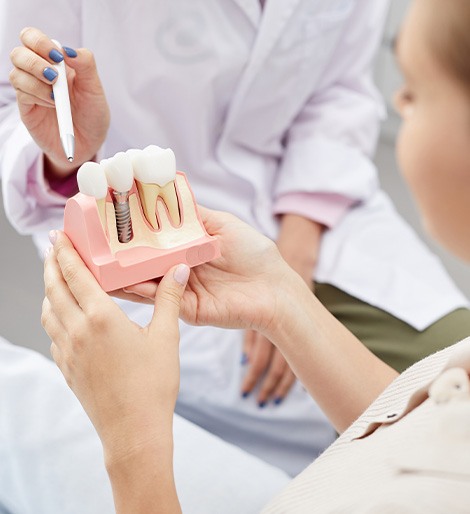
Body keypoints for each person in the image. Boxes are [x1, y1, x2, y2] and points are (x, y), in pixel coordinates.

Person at [3, 0, 470, 476]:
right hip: (139, 237)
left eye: (413, 92)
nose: (400, 102)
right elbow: (20, 105)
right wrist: (69, 154)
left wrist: (294, 257)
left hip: (321, 219)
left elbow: (340, 90)